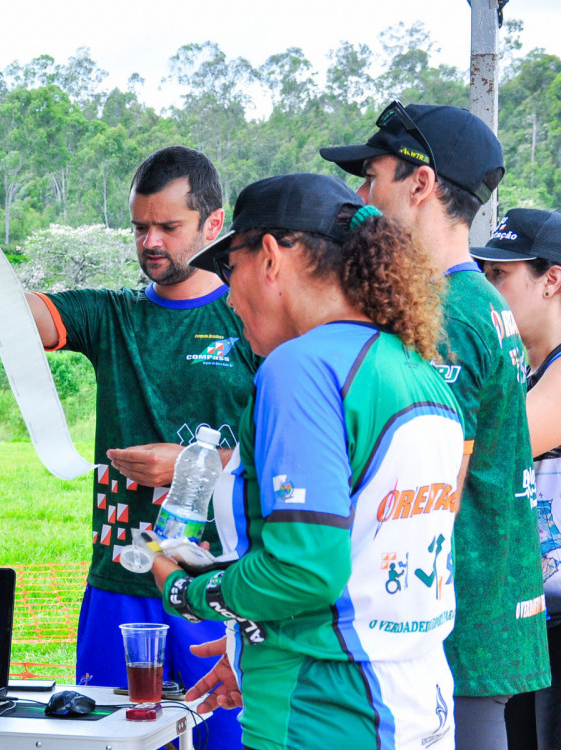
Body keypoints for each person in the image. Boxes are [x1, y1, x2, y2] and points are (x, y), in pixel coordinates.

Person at [0, 145, 254, 749]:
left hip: (223, 580)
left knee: (231, 741)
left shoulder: (252, 316)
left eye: (168, 227)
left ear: (213, 224)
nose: (150, 242)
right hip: (121, 579)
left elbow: (295, 452)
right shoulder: (114, 314)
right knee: (110, 738)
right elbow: (19, 322)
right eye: (139, 227)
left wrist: (195, 464)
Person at [153, 172, 464, 750]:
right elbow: (371, 553)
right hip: (416, 698)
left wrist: (189, 593)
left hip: (324, 707)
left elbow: (305, 572)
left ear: (270, 257)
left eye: (230, 268)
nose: (228, 294)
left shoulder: (301, 368)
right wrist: (248, 650)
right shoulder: (416, 367)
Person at [321, 102, 549, 749]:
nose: (364, 199)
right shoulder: (478, 299)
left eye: (373, 178)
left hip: (459, 620)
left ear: (420, 184)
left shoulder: (446, 315)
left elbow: (431, 489)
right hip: (481, 611)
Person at [472, 209, 561, 750]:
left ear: (552, 280)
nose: (486, 288)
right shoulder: (531, 371)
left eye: (500, 275)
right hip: (533, 617)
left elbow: (501, 449)